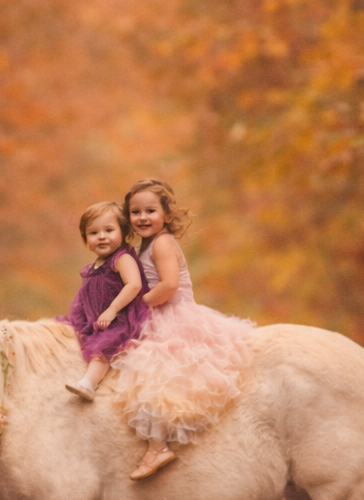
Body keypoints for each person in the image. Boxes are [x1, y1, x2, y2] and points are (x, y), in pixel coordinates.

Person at [114, 178, 255, 480]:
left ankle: (157, 446)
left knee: (155, 375)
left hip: (174, 317)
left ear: (166, 213)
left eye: (150, 210)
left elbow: (168, 285)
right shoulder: (145, 245)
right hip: (156, 315)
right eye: (135, 212)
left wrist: (136, 305)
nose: (142, 217)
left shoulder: (163, 243)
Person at [59, 201, 149, 402]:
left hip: (122, 318)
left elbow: (134, 285)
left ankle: (89, 383)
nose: (101, 236)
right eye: (93, 233)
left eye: (109, 230)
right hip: (97, 318)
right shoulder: (96, 265)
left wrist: (112, 310)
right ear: (85, 239)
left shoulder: (122, 258)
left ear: (123, 233)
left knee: (103, 346)